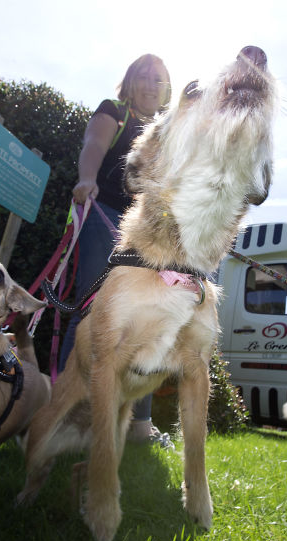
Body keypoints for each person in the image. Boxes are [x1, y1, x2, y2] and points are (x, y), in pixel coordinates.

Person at [59, 54, 172, 447]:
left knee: (147, 322)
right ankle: (65, 407)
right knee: (89, 307)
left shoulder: (169, 129)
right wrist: (87, 179)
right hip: (105, 214)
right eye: (144, 76)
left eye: (159, 79)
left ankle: (139, 424)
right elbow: (94, 143)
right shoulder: (115, 111)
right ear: (130, 81)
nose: (151, 84)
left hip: (148, 235)